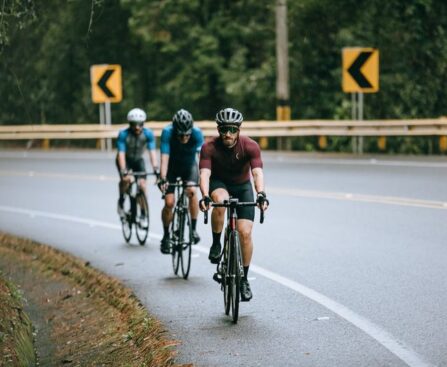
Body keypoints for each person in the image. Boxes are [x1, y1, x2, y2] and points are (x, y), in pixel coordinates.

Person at [198, 107, 269, 302]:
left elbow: (257, 172)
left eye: (232, 129)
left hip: (242, 186)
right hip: (219, 184)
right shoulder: (209, 147)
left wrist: (261, 193)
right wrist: (205, 195)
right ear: (218, 129)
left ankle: (244, 279)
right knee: (221, 202)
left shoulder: (250, 145)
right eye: (223, 130)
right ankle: (215, 243)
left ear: (238, 129)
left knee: (245, 233)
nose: (227, 134)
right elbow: (204, 174)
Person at [158, 109, 204, 254]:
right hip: (171, 167)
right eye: (181, 135)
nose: (184, 138)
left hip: (189, 166)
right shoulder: (167, 132)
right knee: (169, 202)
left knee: (191, 191)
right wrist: (163, 178)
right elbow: (164, 157)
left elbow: (202, 159)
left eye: (187, 135)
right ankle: (166, 236)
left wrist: (204, 178)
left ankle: (194, 229)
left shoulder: (197, 133)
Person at [116, 108, 159, 224]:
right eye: (134, 124)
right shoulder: (123, 134)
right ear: (130, 124)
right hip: (126, 160)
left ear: (143, 124)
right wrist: (124, 170)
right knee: (127, 179)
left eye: (140, 124)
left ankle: (144, 214)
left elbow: (152, 152)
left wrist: (155, 167)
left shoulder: (148, 134)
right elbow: (121, 154)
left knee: (143, 185)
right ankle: (121, 200)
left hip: (138, 160)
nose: (137, 127)